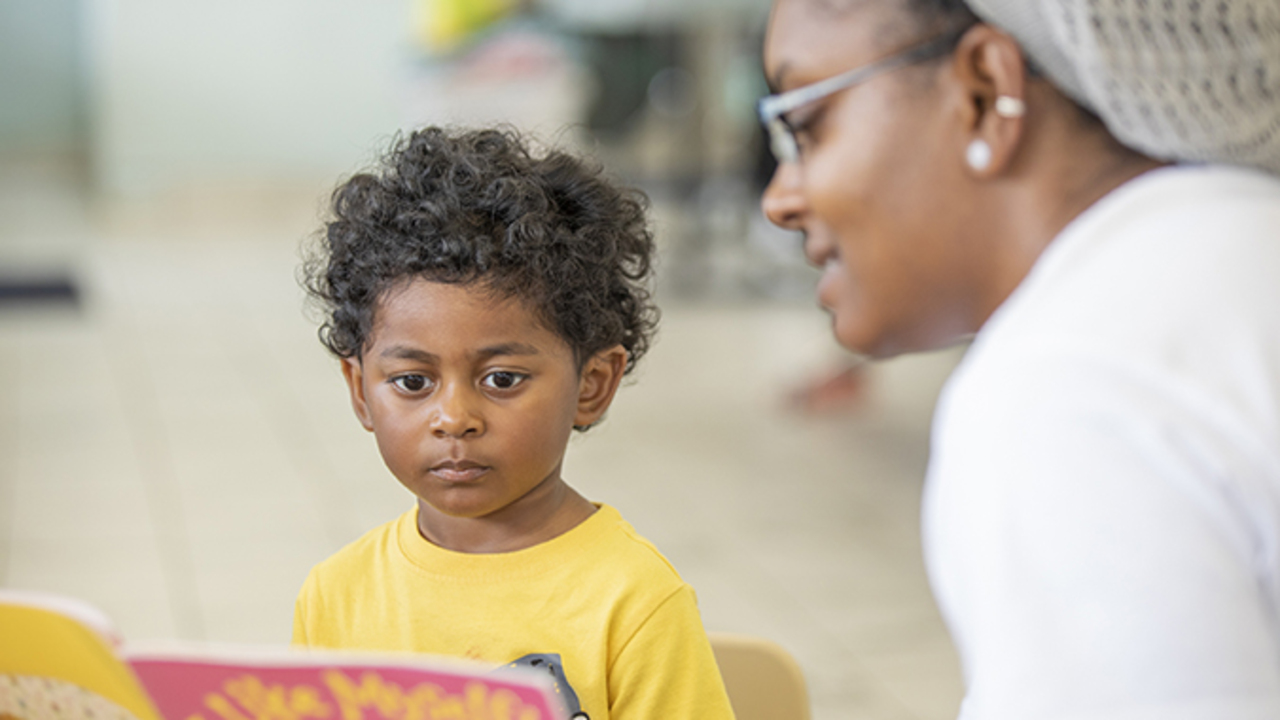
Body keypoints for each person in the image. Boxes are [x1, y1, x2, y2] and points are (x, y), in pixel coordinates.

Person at [758, 0, 1280, 718]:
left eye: (804, 127)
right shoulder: (1238, 251)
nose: (779, 200)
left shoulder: (1070, 379)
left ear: (984, 93)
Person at [293, 126, 735, 720]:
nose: (454, 418)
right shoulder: (336, 597)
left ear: (593, 384)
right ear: (361, 392)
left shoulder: (634, 603)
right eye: (413, 382)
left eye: (501, 379)